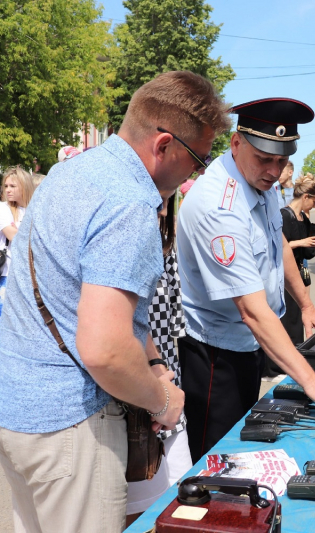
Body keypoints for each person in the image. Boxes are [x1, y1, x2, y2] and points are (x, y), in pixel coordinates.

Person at [0, 71, 218, 532]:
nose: (198, 173)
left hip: (10, 408)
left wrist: (150, 362)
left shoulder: (74, 171)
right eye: (199, 160)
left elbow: (70, 294)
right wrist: (163, 399)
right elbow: (105, 351)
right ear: (164, 144)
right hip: (67, 426)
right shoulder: (129, 202)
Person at [176, 98, 315, 463]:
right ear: (236, 143)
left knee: (246, 451)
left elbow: (276, 240)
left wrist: (307, 305)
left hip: (250, 344)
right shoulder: (220, 207)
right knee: (215, 461)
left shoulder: (260, 180)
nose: (274, 171)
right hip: (216, 354)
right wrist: (312, 383)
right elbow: (250, 310)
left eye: (281, 161)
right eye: (265, 158)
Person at [126, 196, 193, 524]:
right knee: (142, 499)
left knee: (177, 486)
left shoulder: (165, 246)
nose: (162, 211)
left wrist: (161, 368)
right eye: (154, 205)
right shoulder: (119, 247)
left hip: (164, 372)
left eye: (165, 202)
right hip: (136, 390)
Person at [279, 176, 315, 346]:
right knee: (287, 317)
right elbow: (278, 246)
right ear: (305, 196)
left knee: (297, 316)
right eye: (314, 201)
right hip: (284, 274)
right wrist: (300, 242)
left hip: (298, 273)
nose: (314, 206)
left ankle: (297, 350)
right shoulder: (284, 215)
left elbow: (309, 250)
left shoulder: (303, 218)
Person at [0, 166, 35, 333]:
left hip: (31, 275)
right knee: (4, 322)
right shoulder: (1, 209)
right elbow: (14, 236)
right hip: (7, 274)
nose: (8, 190)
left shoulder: (34, 209)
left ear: (24, 186)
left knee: (29, 324)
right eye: (6, 186)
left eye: (13, 186)